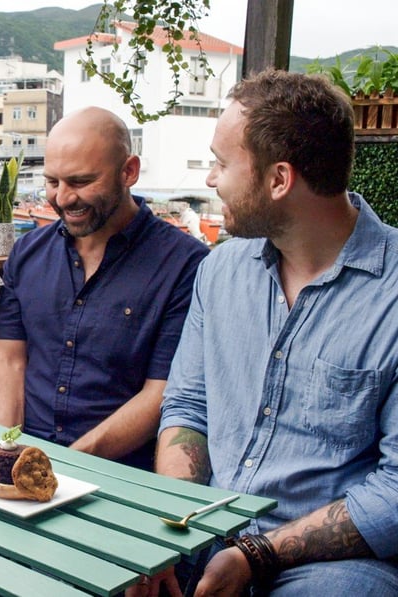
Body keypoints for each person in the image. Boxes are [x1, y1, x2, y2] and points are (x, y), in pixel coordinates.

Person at [151, 69, 398, 596]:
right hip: (204, 534)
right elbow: (188, 407)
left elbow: (396, 492)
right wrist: (168, 535)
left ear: (278, 180)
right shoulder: (220, 271)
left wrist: (255, 555)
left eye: (220, 164)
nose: (211, 180)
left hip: (330, 565)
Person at [0, 107, 209, 470]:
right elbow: (8, 359)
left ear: (129, 172)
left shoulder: (185, 265)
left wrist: (64, 466)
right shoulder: (27, 252)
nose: (63, 198)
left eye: (82, 182)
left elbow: (162, 392)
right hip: (23, 456)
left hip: (118, 470)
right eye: (53, 182)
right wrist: (7, 451)